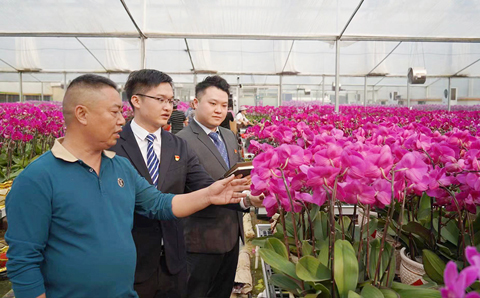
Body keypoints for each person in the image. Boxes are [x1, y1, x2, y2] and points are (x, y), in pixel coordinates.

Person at [5, 74, 248, 298]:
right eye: (114, 112)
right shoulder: (36, 179)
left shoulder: (119, 167)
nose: (122, 119)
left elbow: (159, 204)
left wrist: (209, 194)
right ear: (82, 114)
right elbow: (23, 261)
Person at [110, 69, 259, 298]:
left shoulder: (177, 146)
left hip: (173, 260)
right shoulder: (113, 145)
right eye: (160, 99)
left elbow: (204, 186)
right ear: (136, 100)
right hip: (130, 259)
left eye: (171, 100)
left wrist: (245, 198)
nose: (168, 107)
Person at [177, 76, 256, 298]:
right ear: (195, 103)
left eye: (224, 105)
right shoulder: (181, 140)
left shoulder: (229, 136)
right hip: (199, 240)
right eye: (212, 103)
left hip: (231, 236)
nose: (219, 110)